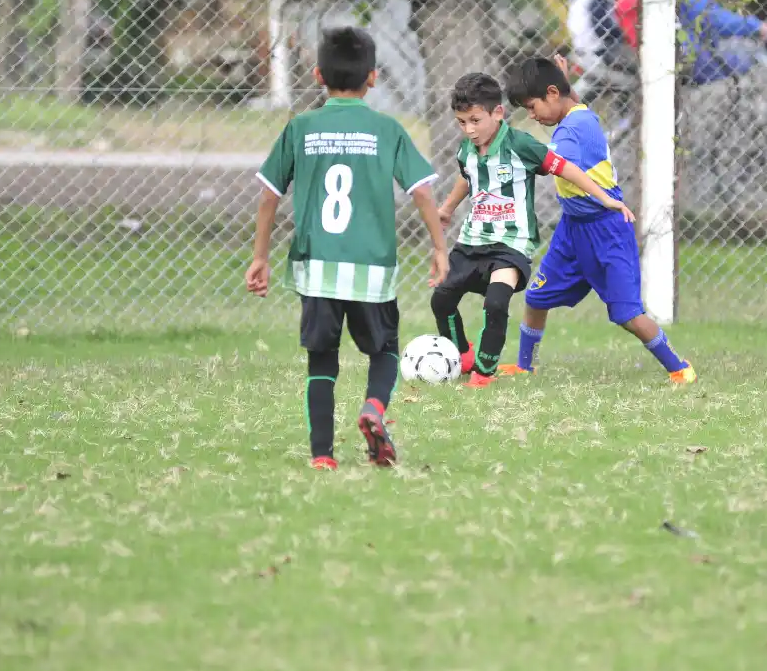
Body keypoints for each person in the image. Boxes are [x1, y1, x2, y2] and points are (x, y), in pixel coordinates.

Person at [245, 26, 450, 471]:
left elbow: (268, 196)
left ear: (318, 75)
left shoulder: (300, 127)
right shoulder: (386, 129)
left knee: (322, 358)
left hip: (317, 267)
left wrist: (260, 256)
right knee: (385, 350)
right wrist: (439, 247)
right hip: (371, 270)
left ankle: (322, 456)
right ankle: (374, 409)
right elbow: (422, 193)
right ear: (372, 77)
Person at [498, 57, 697, 385]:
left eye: (532, 107)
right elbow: (575, 103)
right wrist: (566, 85)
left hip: (607, 229)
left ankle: (678, 368)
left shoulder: (572, 131)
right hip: (572, 230)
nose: (531, 116)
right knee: (536, 298)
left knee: (628, 315)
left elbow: (556, 163)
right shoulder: (577, 112)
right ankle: (525, 366)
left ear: (551, 94)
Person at [432, 72, 635, 389]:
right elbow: (467, 176)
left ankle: (484, 373)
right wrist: (446, 208)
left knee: (496, 304)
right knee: (441, 300)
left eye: (475, 120)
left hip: (510, 246)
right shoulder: (466, 150)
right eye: (461, 122)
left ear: (497, 113)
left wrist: (605, 197)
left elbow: (566, 167)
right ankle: (463, 354)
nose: (469, 130)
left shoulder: (520, 145)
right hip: (472, 241)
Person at [566, 0, 641, 102]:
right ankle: (623, 122)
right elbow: (603, 27)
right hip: (598, 52)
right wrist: (621, 38)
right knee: (635, 81)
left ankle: (567, 110)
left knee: (591, 87)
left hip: (583, 51)